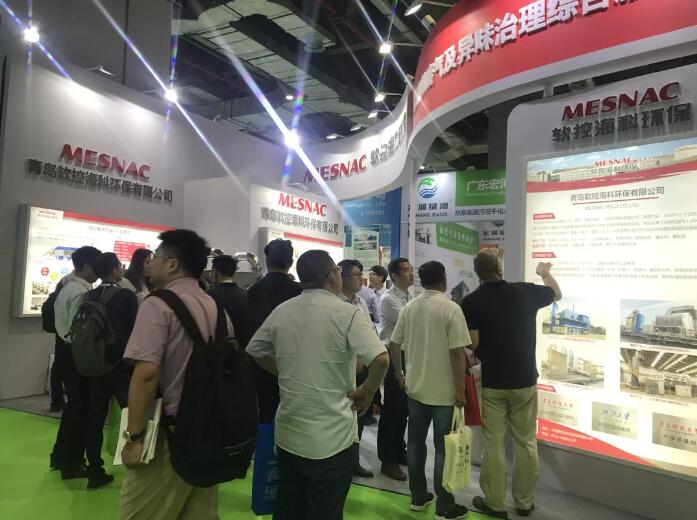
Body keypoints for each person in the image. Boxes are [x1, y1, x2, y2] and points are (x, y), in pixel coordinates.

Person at [246, 250, 389, 520]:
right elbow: (381, 359)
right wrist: (368, 391)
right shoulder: (347, 313)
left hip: (289, 433)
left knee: (288, 507)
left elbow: (255, 350)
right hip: (332, 438)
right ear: (332, 276)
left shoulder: (283, 310)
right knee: (324, 510)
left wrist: (285, 371)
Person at [119, 229, 227, 520]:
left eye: (155, 256)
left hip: (166, 436)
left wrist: (134, 437)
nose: (150, 263)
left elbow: (146, 374)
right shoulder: (215, 306)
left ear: (172, 264)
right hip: (207, 430)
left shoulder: (157, 305)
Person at [460, 250, 562, 519]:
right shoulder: (525, 291)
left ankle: (495, 503)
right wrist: (544, 273)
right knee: (526, 442)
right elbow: (556, 294)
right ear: (500, 268)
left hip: (493, 382)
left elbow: (473, 342)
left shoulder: (472, 301)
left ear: (477, 273)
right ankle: (525, 502)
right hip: (524, 380)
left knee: (493, 443)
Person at [389, 261, 471, 520]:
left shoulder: (410, 307)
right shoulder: (451, 309)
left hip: (415, 389)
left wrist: (399, 374)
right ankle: (444, 506)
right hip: (444, 393)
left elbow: (394, 344)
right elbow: (457, 353)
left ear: (421, 281)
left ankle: (418, 496)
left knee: (415, 444)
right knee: (443, 449)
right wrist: (460, 389)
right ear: (444, 280)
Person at [83, 252, 138, 490]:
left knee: (95, 417)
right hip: (121, 366)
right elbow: (135, 330)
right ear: (115, 270)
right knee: (133, 415)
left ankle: (94, 469)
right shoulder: (126, 296)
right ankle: (135, 464)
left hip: (96, 365)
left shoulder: (89, 295)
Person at [50, 245, 101, 480]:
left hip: (65, 350)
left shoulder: (67, 288)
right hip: (76, 354)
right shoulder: (80, 293)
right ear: (87, 266)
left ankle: (61, 457)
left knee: (73, 408)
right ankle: (71, 463)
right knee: (80, 409)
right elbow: (79, 330)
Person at [247, 239, 302, 422]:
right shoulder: (299, 290)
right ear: (291, 262)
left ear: (266, 261)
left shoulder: (254, 290)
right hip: (295, 363)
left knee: (266, 414)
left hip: (262, 362)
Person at [337, 259, 378, 479]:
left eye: (361, 274)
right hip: (342, 368)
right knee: (341, 415)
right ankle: (340, 460)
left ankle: (353, 460)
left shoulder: (360, 301)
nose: (361, 279)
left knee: (358, 414)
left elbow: (368, 331)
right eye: (356, 275)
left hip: (362, 366)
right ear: (342, 277)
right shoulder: (335, 303)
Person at [376, 257, 413, 481]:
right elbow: (409, 323)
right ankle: (387, 459)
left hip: (407, 355)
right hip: (392, 356)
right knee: (392, 409)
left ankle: (399, 450)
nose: (411, 273)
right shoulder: (389, 299)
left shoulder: (407, 296)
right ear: (395, 275)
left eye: (411, 269)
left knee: (403, 410)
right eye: (407, 270)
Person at [208, 255, 251, 346]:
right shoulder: (246, 295)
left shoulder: (208, 296)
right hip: (241, 349)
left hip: (217, 349)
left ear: (215, 272)